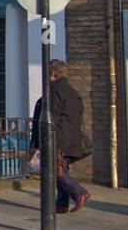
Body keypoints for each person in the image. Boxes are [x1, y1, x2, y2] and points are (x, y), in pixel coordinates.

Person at [30, 59, 92, 213]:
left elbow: (53, 120)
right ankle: (62, 203)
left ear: (53, 74)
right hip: (71, 139)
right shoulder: (72, 91)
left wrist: (50, 144)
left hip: (58, 141)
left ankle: (79, 192)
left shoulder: (54, 92)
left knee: (53, 169)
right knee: (61, 169)